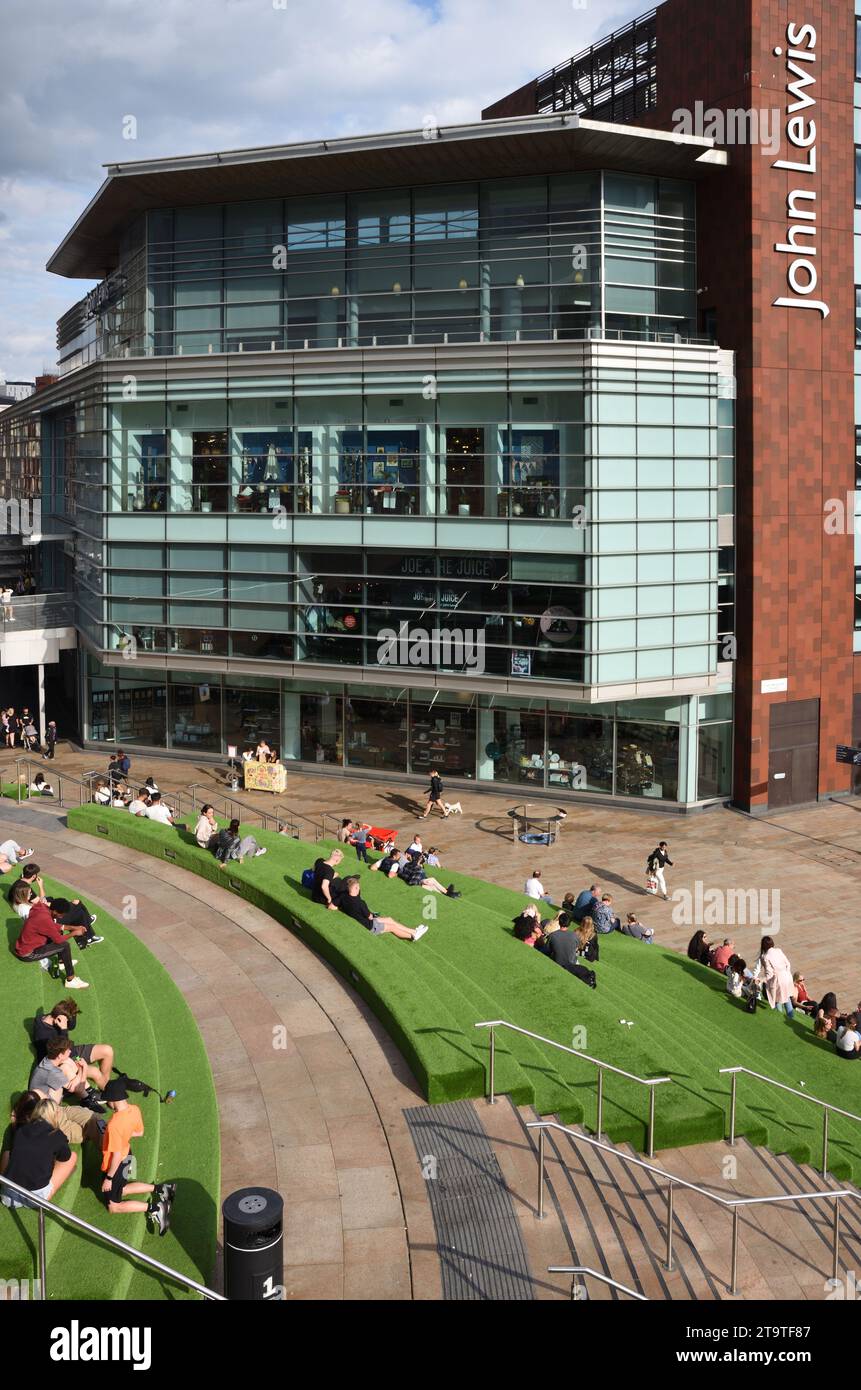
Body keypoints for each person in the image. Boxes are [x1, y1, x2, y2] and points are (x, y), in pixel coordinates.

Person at [100, 1077, 173, 1233]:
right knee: (122, 1188)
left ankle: (156, 1208)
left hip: (117, 1165)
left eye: (107, 1100)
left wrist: (109, 1178)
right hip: (128, 1157)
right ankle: (163, 1189)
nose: (107, 1103)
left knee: (113, 1206)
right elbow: (139, 1132)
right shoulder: (135, 1109)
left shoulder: (114, 1125)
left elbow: (116, 1156)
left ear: (113, 1100)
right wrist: (122, 1136)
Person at [0, 1098, 77, 1209]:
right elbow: (65, 1157)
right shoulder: (57, 1135)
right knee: (73, 1157)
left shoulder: (21, 1130)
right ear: (56, 1114)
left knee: (7, 1153)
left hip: (8, 1195)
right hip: (36, 1198)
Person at [33, 1000, 114, 1089]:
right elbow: (62, 1051)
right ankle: (107, 1091)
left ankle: (106, 1084)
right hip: (61, 1058)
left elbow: (72, 1026)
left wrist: (72, 1015)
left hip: (70, 1050)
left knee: (107, 1050)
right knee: (95, 1072)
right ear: (59, 1018)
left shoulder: (52, 1016)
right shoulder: (43, 1035)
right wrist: (64, 1030)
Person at [13, 897, 90, 987]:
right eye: (61, 915)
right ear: (55, 911)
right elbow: (59, 940)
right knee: (65, 946)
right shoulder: (45, 919)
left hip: (22, 946)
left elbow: (52, 925)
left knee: (59, 931)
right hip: (27, 954)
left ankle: (62, 962)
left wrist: (74, 927)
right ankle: (70, 980)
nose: (62, 917)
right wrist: (74, 933)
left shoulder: (40, 907)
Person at [333, 876, 427, 941]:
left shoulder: (343, 896)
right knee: (392, 927)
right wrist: (371, 915)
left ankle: (414, 931)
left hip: (364, 920)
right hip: (369, 925)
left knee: (389, 919)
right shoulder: (361, 903)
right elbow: (370, 917)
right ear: (356, 888)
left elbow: (331, 906)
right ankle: (412, 936)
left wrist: (342, 909)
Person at [537, 916, 597, 988]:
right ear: (569, 924)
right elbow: (576, 950)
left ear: (559, 922)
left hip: (559, 961)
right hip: (571, 963)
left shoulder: (553, 935)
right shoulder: (574, 936)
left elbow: (546, 951)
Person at [758, 935, 794, 1018]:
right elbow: (788, 964)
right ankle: (791, 1017)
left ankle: (780, 1018)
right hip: (787, 977)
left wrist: (761, 979)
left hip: (778, 980)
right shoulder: (778, 950)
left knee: (777, 1000)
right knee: (786, 997)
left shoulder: (765, 957)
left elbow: (769, 974)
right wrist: (786, 973)